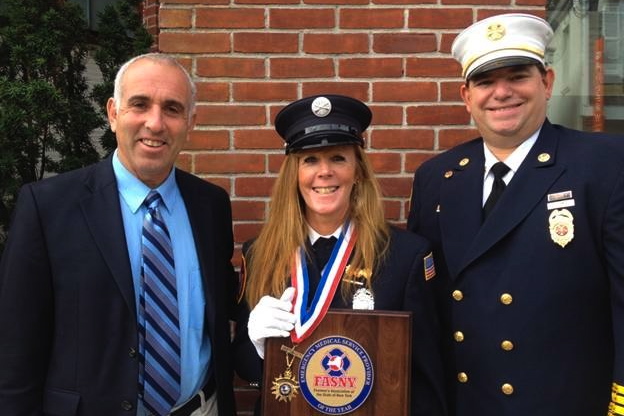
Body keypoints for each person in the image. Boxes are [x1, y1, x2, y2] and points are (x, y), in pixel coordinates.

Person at [407, 13, 624, 416]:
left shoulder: (605, 165)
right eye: (486, 82)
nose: (502, 93)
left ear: (547, 82)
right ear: (466, 96)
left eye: (518, 76)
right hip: (467, 404)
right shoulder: (438, 178)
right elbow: (425, 302)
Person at [0, 53, 238, 416]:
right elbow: (15, 348)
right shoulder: (48, 207)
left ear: (191, 122)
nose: (155, 123)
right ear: (113, 113)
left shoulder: (211, 205)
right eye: (139, 104)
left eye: (172, 109)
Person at [233, 94, 447, 416]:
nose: (324, 173)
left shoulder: (406, 256)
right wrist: (256, 344)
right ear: (294, 173)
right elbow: (247, 371)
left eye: (337, 158)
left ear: (358, 171)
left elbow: (427, 379)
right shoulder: (260, 253)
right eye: (310, 160)